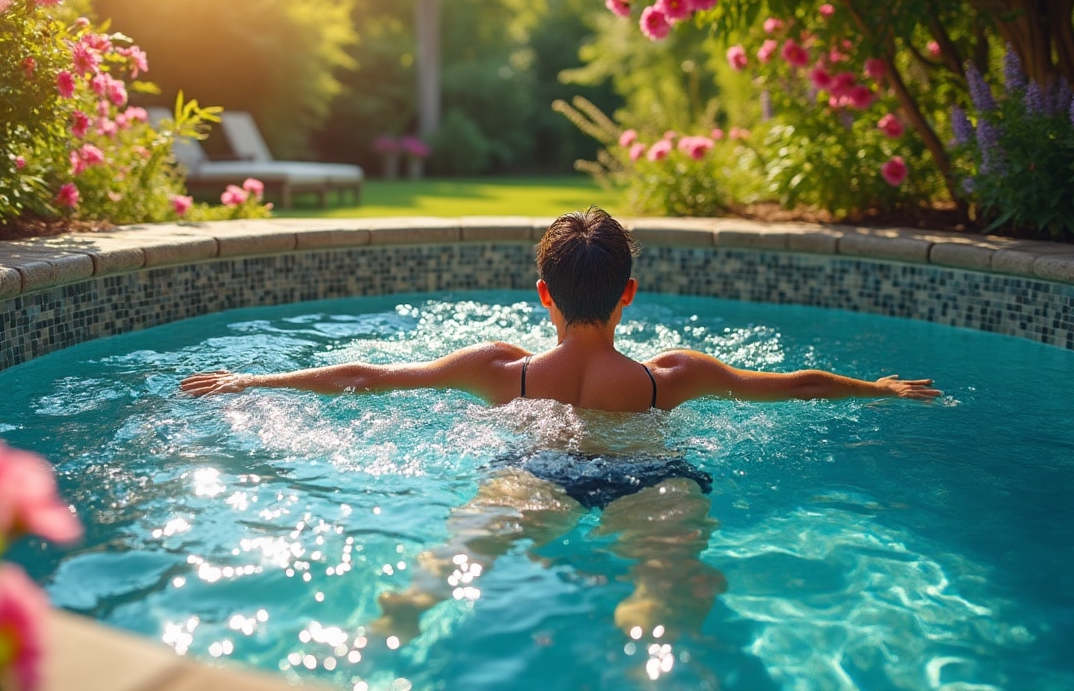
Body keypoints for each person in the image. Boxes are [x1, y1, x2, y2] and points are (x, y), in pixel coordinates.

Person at [181, 207, 940, 639]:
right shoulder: (668, 378)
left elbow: (367, 378)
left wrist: (256, 376)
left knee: (440, 575)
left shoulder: (500, 369)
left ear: (544, 294)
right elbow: (792, 387)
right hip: (652, 481)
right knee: (669, 592)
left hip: (534, 477)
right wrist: (877, 387)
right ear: (629, 294)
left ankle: (384, 636)